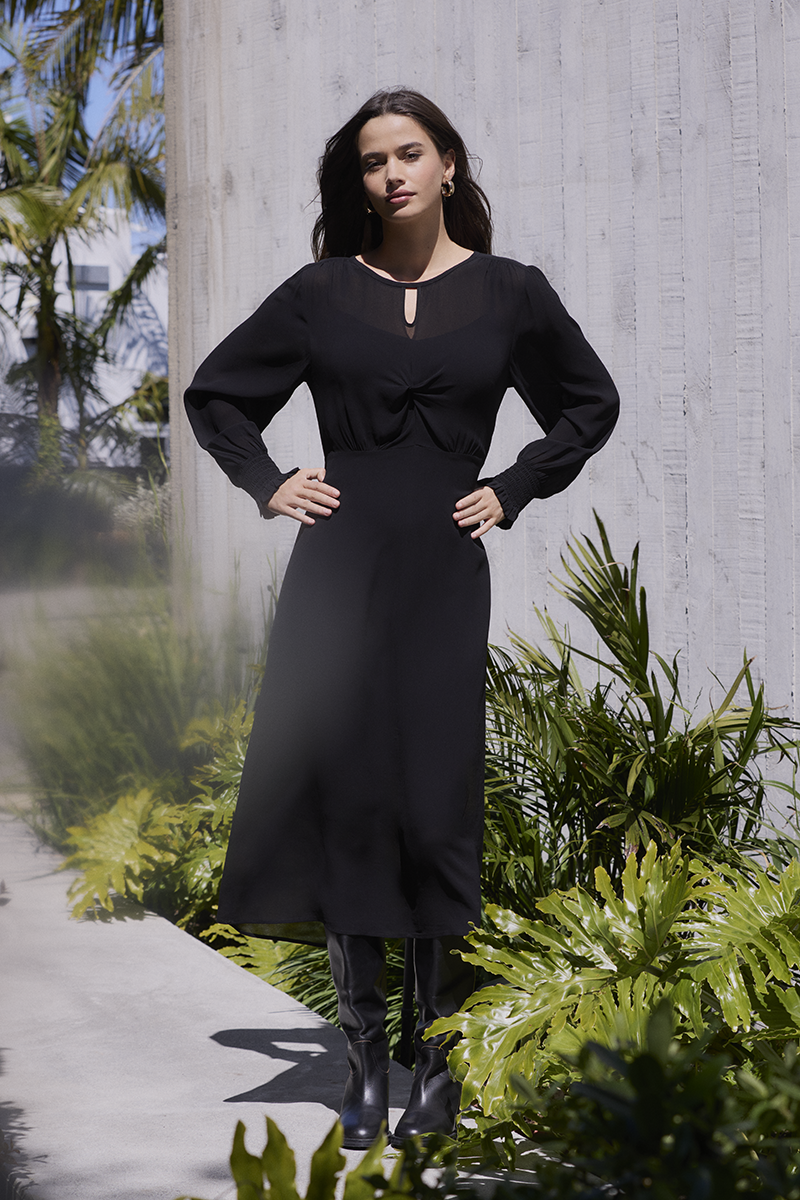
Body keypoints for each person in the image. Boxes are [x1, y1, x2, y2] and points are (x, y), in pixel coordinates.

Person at [184, 87, 619, 1150]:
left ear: (448, 165)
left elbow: (589, 402)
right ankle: (365, 1062)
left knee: (434, 803)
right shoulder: (321, 292)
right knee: (351, 800)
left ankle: (437, 1058)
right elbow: (216, 395)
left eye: (410, 153)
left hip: (441, 574)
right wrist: (268, 482)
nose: (392, 174)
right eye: (374, 161)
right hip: (337, 572)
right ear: (362, 182)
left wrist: (513, 485)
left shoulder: (512, 293)